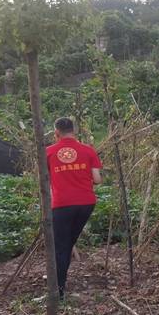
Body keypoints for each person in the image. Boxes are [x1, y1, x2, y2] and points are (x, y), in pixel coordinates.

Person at [46, 117, 102, 301]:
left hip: (62, 205)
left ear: (56, 133)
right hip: (86, 203)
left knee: (61, 247)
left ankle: (58, 291)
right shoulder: (88, 150)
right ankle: (59, 284)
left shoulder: (49, 152)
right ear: (74, 130)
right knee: (67, 244)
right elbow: (97, 179)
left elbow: (43, 178)